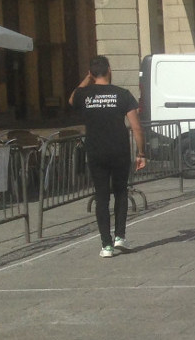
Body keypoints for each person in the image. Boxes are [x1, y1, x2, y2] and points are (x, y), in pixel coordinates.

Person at [68, 55, 146, 258]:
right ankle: (120, 236)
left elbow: (71, 99)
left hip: (96, 151)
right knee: (120, 192)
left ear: (92, 74)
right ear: (110, 70)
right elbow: (136, 127)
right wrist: (141, 153)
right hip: (119, 150)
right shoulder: (122, 94)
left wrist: (87, 79)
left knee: (101, 196)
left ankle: (106, 245)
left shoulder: (84, 95)